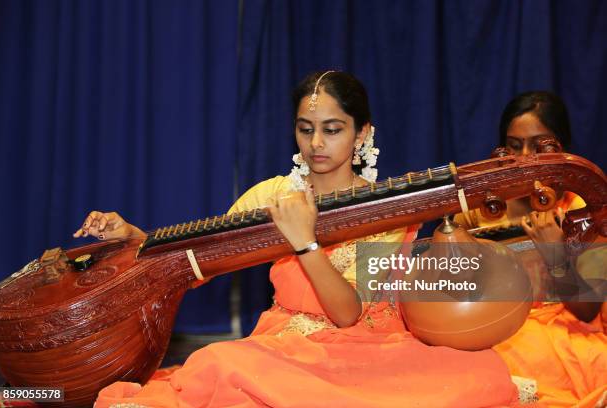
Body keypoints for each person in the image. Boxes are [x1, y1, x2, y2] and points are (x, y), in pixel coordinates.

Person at [80, 71, 522, 407]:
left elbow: (348, 314)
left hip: (367, 351)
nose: (316, 143)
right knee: (218, 364)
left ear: (362, 133)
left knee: (479, 374)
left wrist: (304, 243)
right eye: (305, 128)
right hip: (287, 344)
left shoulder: (387, 210)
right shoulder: (273, 196)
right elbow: (199, 259)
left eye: (333, 129)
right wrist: (133, 238)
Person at [457, 91, 606, 407]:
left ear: (560, 148)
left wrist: (555, 255)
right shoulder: (479, 208)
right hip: (493, 328)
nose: (525, 157)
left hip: (565, 334)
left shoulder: (582, 208)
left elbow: (588, 309)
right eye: (514, 145)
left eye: (539, 146)